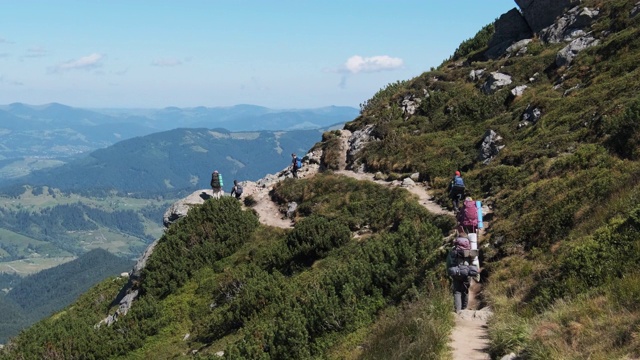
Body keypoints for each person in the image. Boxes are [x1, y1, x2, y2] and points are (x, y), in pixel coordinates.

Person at [447, 236, 472, 313]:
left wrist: (449, 273)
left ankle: (458, 310)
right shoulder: (470, 251)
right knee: (465, 291)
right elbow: (474, 261)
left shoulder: (452, 252)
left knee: (457, 291)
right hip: (466, 273)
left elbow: (448, 263)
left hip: (456, 273)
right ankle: (464, 309)